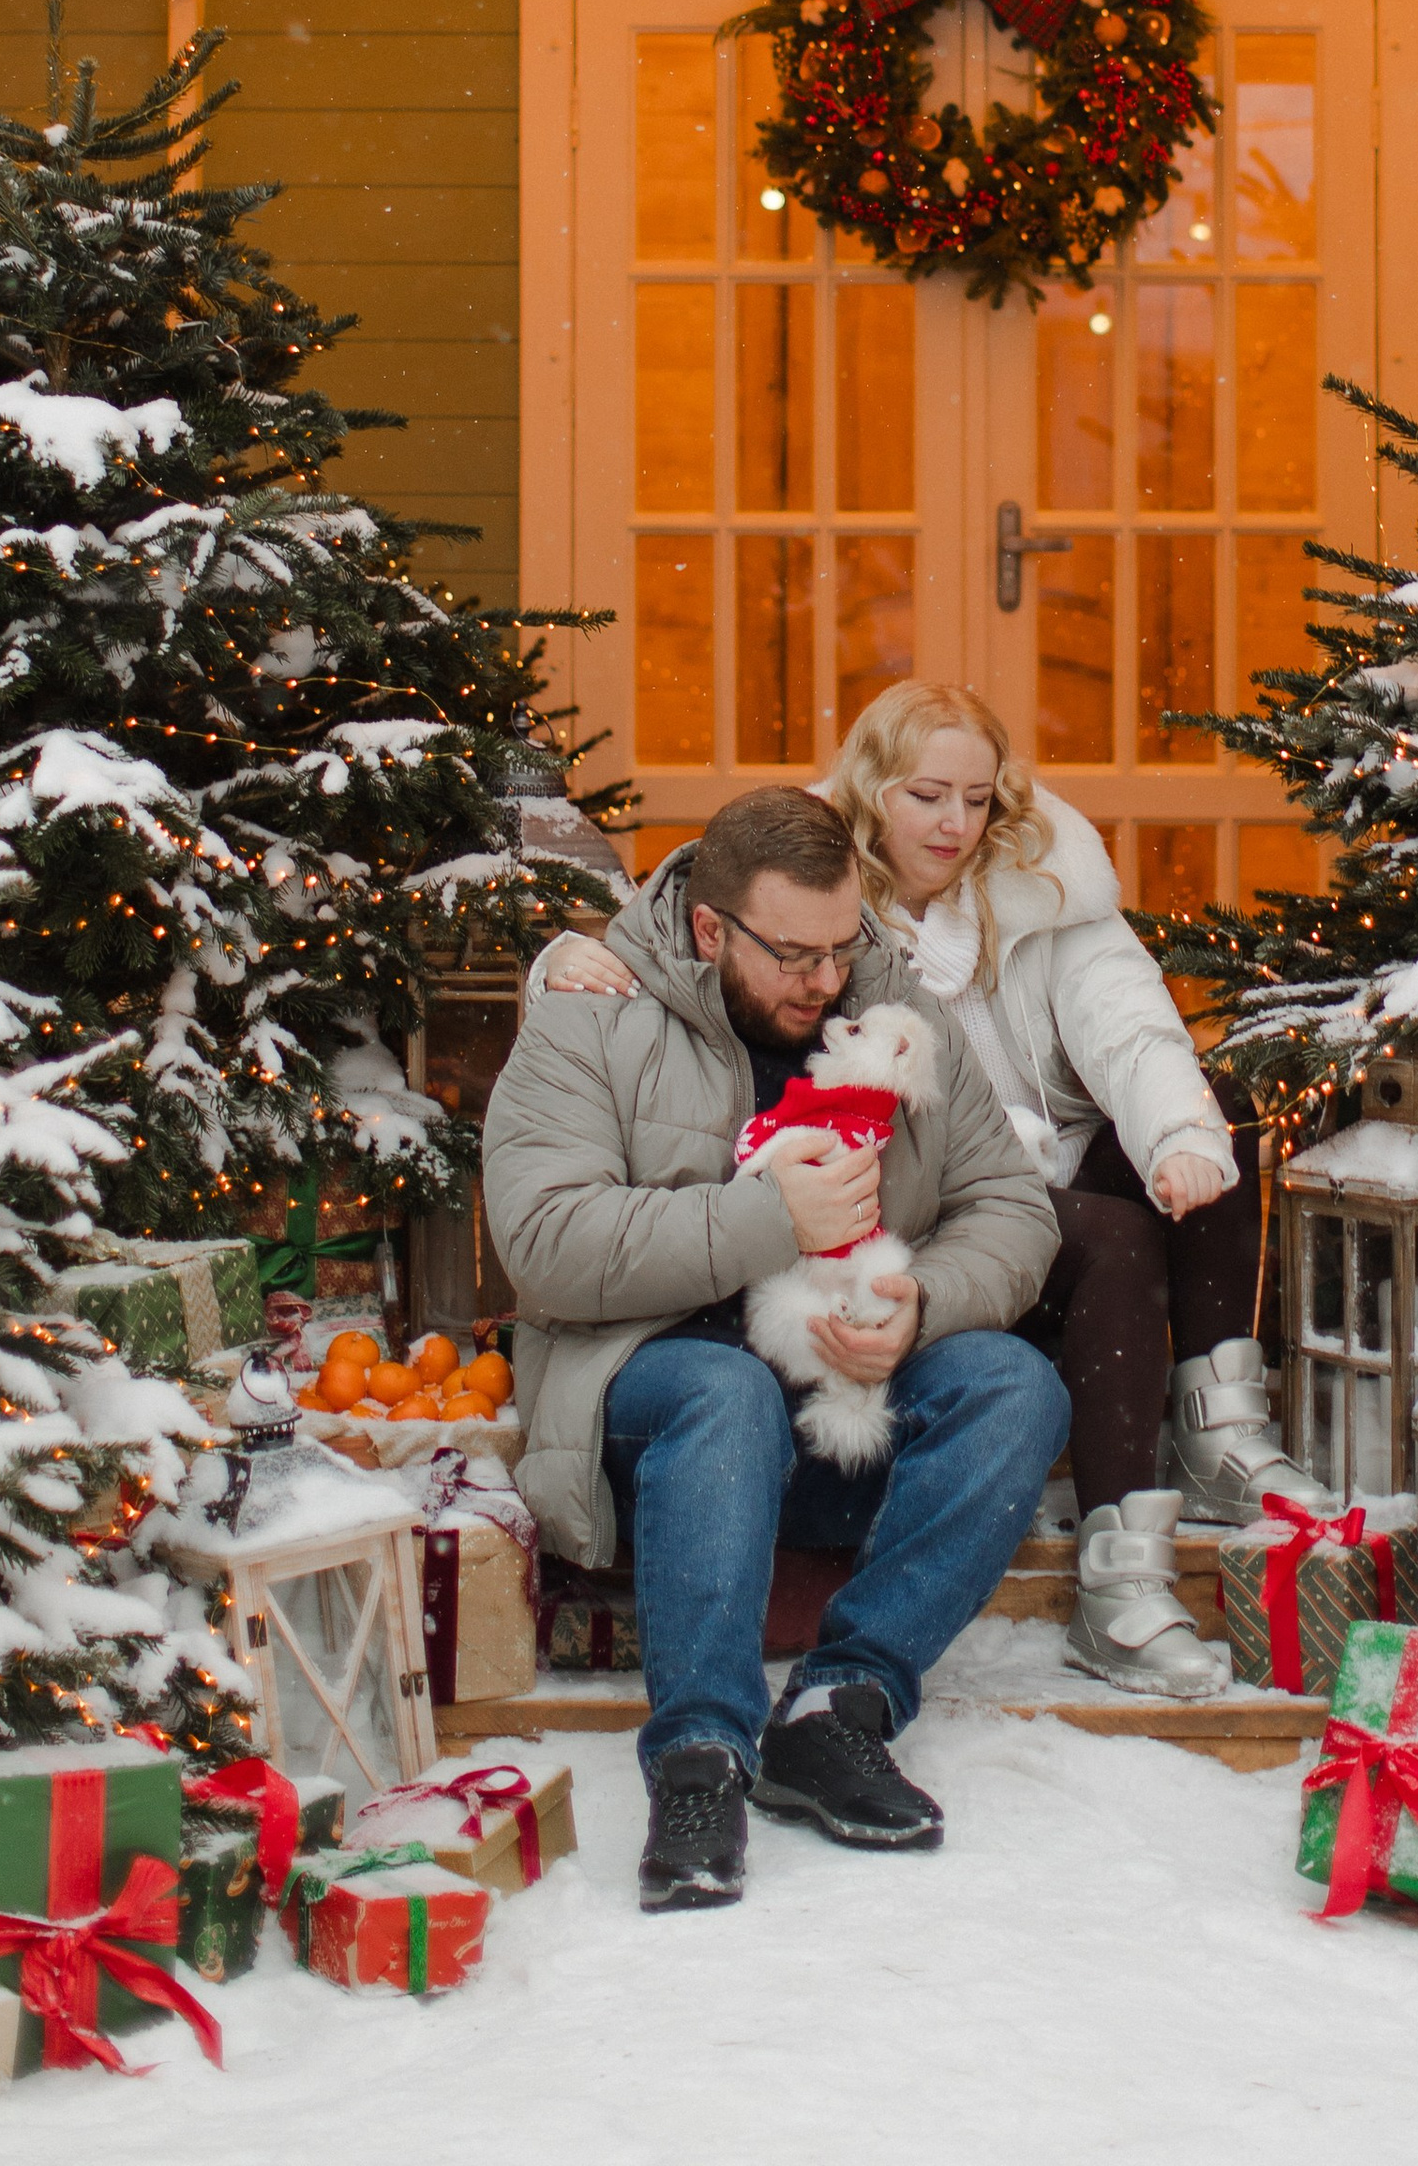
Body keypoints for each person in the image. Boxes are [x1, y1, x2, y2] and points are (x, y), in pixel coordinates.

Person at [536, 683, 1331, 1703]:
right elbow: (680, 942)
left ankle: (1221, 1425)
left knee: (1212, 1112)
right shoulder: (822, 903)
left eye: (978, 799)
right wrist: (560, 961)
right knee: (1111, 1241)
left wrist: (1180, 1140)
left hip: (1013, 1185)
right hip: (901, 1201)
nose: (956, 823)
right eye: (927, 796)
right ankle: (1116, 1570)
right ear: (871, 790)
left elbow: (1131, 1032)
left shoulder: (1043, 893)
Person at [485, 782, 1065, 1916]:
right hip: (660, 1396)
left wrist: (920, 1301)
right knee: (724, 1389)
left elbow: (1010, 1207)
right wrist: (768, 1220)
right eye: (795, 956)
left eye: (843, 947)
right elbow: (544, 1241)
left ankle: (840, 1704)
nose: (826, 981)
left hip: (845, 1388)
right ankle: (700, 1760)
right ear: (711, 929)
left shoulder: (897, 1012)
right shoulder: (589, 1018)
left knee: (1015, 1386)